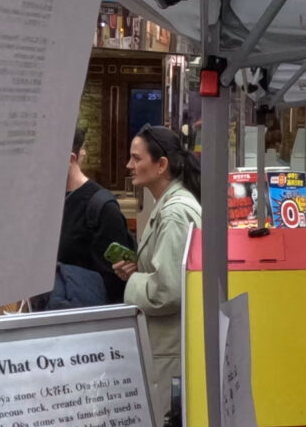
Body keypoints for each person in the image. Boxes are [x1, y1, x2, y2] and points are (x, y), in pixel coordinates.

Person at [113, 124, 202, 396]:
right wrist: (140, 269)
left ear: (161, 165)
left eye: (136, 158)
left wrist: (134, 280)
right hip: (169, 346)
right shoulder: (170, 206)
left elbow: (167, 291)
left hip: (170, 350)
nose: (129, 166)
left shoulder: (174, 213)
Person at [60, 126, 129, 302]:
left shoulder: (102, 208)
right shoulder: (46, 202)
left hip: (86, 312)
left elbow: (116, 283)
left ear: (70, 159)